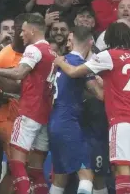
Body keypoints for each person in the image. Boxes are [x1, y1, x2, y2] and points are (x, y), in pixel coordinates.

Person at [53, 22, 130, 194]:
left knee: (121, 171)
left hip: (122, 118)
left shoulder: (109, 55)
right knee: (126, 171)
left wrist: (60, 61)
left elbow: (74, 72)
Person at [0, 13, 56, 194]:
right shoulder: (52, 52)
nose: (21, 35)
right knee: (36, 170)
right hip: (45, 114)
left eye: (23, 31)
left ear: (32, 30)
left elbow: (18, 74)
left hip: (29, 111)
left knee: (16, 162)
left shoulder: (33, 50)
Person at [49, 26, 103, 194]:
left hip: (54, 121)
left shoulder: (59, 62)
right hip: (68, 121)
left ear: (70, 42)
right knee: (86, 174)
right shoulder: (80, 65)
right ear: (91, 42)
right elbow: (100, 95)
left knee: (60, 176)